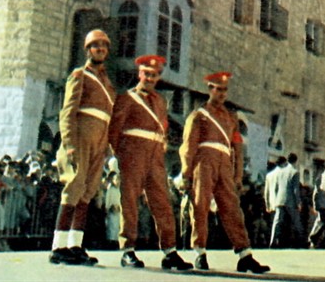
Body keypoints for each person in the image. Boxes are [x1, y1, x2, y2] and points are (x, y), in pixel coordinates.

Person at [108, 55, 192, 271]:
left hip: (155, 158)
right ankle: (127, 250)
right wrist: (119, 156)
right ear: (140, 74)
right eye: (147, 74)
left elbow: (162, 128)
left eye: (154, 75)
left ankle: (169, 251)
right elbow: (114, 130)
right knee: (130, 202)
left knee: (162, 202)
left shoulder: (160, 101)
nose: (151, 78)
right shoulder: (127, 98)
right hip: (133, 156)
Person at [179, 72, 269, 274]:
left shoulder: (231, 118)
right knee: (200, 206)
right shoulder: (198, 115)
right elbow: (188, 146)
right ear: (210, 89)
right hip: (204, 162)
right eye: (217, 89)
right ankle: (199, 252)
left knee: (232, 208)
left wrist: (238, 175)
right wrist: (186, 173)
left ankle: (244, 254)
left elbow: (237, 147)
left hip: (224, 164)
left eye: (224, 90)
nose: (221, 94)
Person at [49, 29, 116, 266]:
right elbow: (68, 110)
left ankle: (75, 245)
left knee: (88, 191)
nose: (100, 49)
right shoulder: (79, 75)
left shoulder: (107, 82)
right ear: (87, 50)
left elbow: (109, 115)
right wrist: (68, 144)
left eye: (103, 46)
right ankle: (58, 247)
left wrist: (107, 143)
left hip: (99, 140)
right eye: (95, 45)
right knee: (74, 186)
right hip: (80, 138)